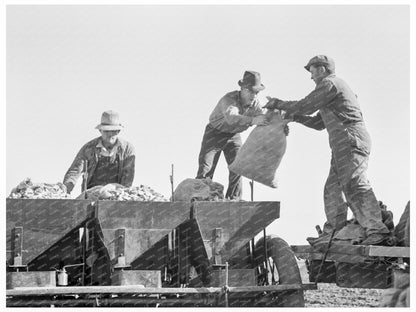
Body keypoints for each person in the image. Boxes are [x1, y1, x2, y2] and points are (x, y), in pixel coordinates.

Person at [265, 55, 391, 245]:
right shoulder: (331, 89)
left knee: (355, 184)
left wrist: (278, 103)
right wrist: (294, 117)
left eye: (312, 71)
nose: (311, 77)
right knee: (332, 189)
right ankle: (335, 232)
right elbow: (318, 123)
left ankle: (377, 230)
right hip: (342, 144)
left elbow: (305, 106)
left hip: (350, 140)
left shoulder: (330, 84)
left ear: (322, 69)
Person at [196, 71, 269, 200]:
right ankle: (200, 198)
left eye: (256, 92)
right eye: (251, 91)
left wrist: (279, 126)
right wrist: (252, 121)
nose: (254, 95)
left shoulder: (256, 104)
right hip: (215, 133)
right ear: (243, 89)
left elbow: (265, 118)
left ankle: (234, 199)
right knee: (206, 168)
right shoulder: (229, 99)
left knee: (238, 167)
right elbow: (231, 117)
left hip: (233, 135)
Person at [63, 110, 135, 194]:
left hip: (116, 195)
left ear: (118, 131)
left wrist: (119, 196)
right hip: (91, 195)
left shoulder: (127, 149)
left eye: (113, 131)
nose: (110, 134)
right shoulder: (88, 148)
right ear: (100, 131)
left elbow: (128, 177)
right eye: (106, 131)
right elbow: (74, 172)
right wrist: (65, 191)